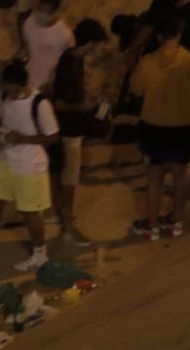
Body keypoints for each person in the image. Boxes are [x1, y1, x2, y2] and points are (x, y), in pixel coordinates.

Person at [0, 60, 59, 272]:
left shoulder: (39, 104)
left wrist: (24, 139)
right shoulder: (3, 95)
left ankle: (40, 255)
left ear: (23, 85)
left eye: (14, 91)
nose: (11, 95)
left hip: (30, 165)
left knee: (30, 213)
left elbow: (52, 137)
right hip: (6, 159)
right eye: (7, 90)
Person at [129, 18, 190, 240]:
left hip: (153, 126)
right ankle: (177, 221)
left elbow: (136, 89)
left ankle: (153, 225)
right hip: (183, 126)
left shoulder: (147, 63)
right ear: (178, 35)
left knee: (154, 178)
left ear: (159, 37)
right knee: (179, 174)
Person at [49, 18, 108, 246]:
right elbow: (59, 103)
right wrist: (82, 107)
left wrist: (87, 100)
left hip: (70, 127)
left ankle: (60, 216)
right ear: (91, 42)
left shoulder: (74, 59)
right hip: (69, 130)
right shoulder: (70, 64)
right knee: (69, 180)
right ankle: (67, 225)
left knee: (64, 177)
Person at [20, 0, 74, 92]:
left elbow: (68, 65)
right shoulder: (29, 23)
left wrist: (53, 85)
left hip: (49, 88)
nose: (42, 15)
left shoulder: (64, 35)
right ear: (39, 4)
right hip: (29, 82)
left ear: (54, 11)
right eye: (41, 10)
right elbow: (27, 48)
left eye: (47, 13)